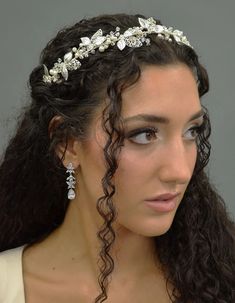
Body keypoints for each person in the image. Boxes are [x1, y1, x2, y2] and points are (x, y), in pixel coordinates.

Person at [0, 13, 234, 303]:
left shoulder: (223, 280)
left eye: (191, 131)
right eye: (143, 134)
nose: (180, 171)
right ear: (67, 143)